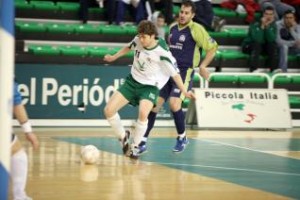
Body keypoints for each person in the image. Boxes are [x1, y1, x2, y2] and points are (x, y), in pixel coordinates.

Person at [103, 20, 195, 159]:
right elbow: (129, 47)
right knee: (108, 110)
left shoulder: (162, 52)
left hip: (150, 86)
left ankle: (135, 146)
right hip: (132, 81)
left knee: (143, 113)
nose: (141, 39)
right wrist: (114, 57)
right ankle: (123, 137)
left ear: (152, 36)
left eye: (144, 37)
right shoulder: (138, 40)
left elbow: (175, 75)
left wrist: (184, 91)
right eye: (139, 36)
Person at [137, 0, 218, 155]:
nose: (182, 15)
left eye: (186, 13)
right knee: (153, 105)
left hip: (184, 72)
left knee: (174, 104)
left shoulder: (197, 29)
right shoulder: (172, 27)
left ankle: (182, 137)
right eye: (181, 11)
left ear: (192, 15)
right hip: (167, 71)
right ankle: (143, 141)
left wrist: (203, 66)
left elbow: (213, 47)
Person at [11, 81, 39, 200]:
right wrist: (28, 131)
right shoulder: (5, 73)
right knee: (18, 154)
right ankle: (19, 196)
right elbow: (16, 103)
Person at [241, 6, 279, 72]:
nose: (268, 16)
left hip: (262, 46)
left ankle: (273, 69)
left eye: (271, 14)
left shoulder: (273, 25)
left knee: (272, 45)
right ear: (263, 14)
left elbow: (271, 39)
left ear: (273, 15)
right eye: (267, 14)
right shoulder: (255, 23)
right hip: (248, 46)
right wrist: (262, 26)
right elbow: (257, 39)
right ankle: (253, 69)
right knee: (257, 44)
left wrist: (267, 26)